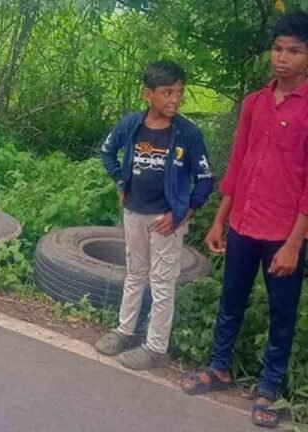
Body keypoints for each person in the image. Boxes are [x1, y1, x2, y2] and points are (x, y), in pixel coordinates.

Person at [179, 12, 308, 428]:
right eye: (277, 49)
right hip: (244, 224)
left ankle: (267, 388)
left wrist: (293, 243)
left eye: (294, 51)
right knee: (230, 301)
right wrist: (220, 220)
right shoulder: (254, 103)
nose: (282, 58)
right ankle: (219, 367)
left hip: (283, 233)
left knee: (281, 313)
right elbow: (238, 163)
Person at [96, 60, 214, 370]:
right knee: (135, 272)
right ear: (148, 94)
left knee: (162, 281)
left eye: (179, 92)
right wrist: (120, 181)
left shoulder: (187, 133)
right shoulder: (131, 125)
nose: (175, 99)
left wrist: (182, 213)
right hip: (134, 212)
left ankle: (156, 347)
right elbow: (107, 152)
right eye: (167, 92)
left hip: (166, 221)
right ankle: (124, 330)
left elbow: (205, 179)